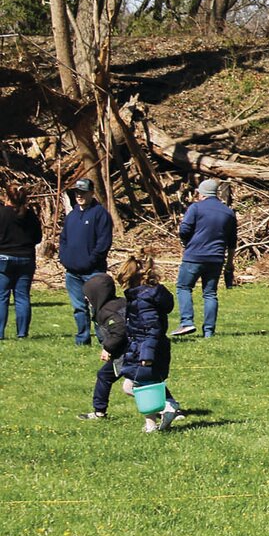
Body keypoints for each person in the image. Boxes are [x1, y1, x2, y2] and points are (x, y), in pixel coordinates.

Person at [79, 256, 185, 432]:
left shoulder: (141, 302)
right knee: (145, 383)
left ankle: (168, 407)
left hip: (142, 350)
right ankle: (152, 423)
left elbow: (150, 329)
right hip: (141, 348)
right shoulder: (140, 298)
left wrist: (145, 354)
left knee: (135, 385)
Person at [171, 179, 238, 338]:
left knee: (184, 287)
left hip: (194, 256)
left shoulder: (195, 208)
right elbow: (232, 240)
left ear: (202, 193)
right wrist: (230, 263)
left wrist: (187, 242)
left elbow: (184, 229)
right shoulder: (228, 212)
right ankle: (209, 331)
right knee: (210, 294)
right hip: (216, 258)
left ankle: (187, 322)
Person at [58, 177, 113, 345]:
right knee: (78, 308)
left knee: (97, 307)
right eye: (77, 193)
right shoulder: (72, 215)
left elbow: (103, 242)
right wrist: (64, 258)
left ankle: (104, 340)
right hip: (72, 272)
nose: (79, 196)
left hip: (93, 271)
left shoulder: (100, 214)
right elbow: (64, 239)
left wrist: (91, 260)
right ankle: (82, 338)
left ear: (91, 193)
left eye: (83, 192)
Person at [0, 182, 42, 339]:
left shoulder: (2, 213)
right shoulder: (30, 216)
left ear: (6, 196)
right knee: (22, 296)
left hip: (3, 258)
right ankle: (22, 333)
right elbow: (37, 238)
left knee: (2, 297)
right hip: (26, 258)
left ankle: (0, 333)